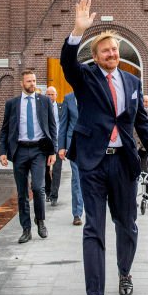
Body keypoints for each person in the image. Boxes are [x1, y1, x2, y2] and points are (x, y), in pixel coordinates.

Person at [59, 0, 148, 295]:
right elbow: (67, 64)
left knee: (127, 225)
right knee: (94, 229)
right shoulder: (85, 77)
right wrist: (77, 31)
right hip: (92, 163)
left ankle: (125, 272)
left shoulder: (133, 82)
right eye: (105, 51)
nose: (112, 55)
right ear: (95, 55)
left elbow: (142, 122)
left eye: (115, 50)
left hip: (123, 163)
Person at [0, 69, 57, 243]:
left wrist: (52, 151)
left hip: (39, 150)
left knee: (38, 188)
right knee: (22, 192)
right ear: (22, 83)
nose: (32, 84)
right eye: (29, 81)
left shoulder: (45, 101)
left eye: (34, 81)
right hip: (20, 151)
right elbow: (5, 129)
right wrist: (2, 151)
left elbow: (52, 127)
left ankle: (40, 221)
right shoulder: (12, 104)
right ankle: (26, 229)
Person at [57, 92, 84, 226]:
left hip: (92, 145)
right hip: (73, 144)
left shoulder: (93, 94)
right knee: (77, 178)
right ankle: (77, 213)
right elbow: (64, 123)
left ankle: (93, 210)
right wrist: (61, 146)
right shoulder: (68, 98)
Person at [44, 86, 63, 207]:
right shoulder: (42, 108)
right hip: (45, 143)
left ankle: (54, 195)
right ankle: (48, 191)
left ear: (56, 95)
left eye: (52, 94)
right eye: (48, 95)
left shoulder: (62, 108)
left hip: (58, 143)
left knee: (57, 170)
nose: (50, 97)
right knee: (45, 170)